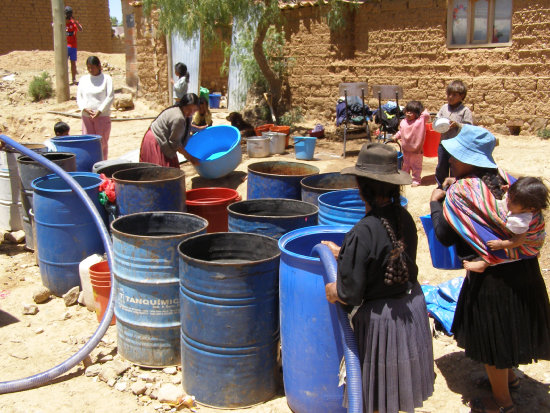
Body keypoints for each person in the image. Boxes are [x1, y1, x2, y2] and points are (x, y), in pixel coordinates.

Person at [429, 126, 550, 413]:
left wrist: (436, 204)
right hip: (524, 270)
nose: (452, 161)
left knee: (494, 340)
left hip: (492, 277)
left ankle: (502, 402)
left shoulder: (461, 192)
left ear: (472, 159)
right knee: (510, 330)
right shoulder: (508, 181)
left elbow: (445, 235)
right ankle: (510, 381)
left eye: (457, 157)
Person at [323, 143, 434, 413]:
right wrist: (344, 254)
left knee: (375, 397)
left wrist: (333, 289)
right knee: (392, 392)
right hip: (411, 309)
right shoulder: (403, 217)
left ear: (362, 188)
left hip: (382, 324)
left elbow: (350, 294)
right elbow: (390, 257)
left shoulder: (363, 231)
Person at [463, 176, 549, 273]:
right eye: (509, 196)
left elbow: (518, 241)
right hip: (537, 240)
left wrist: (501, 244)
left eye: (514, 201)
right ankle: (534, 252)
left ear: (530, 208)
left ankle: (485, 263)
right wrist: (509, 190)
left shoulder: (521, 220)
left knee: (507, 252)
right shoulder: (529, 205)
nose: (508, 201)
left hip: (527, 245)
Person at [139, 93, 200, 168]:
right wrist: (191, 158)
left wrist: (198, 128)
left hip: (157, 137)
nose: (191, 113)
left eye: (194, 110)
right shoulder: (178, 118)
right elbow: (175, 143)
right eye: (188, 109)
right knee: (159, 173)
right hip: (156, 140)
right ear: (183, 105)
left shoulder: (184, 114)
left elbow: (184, 126)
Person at [434, 80, 474, 188]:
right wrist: (439, 123)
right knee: (441, 166)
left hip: (457, 145)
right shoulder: (444, 108)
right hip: (443, 144)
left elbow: (469, 127)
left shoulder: (465, 111)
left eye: (454, 95)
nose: (450, 97)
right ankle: (440, 186)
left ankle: (454, 188)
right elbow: (437, 119)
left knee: (455, 167)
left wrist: (457, 125)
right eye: (448, 94)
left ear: (462, 96)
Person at [77, 56, 114, 160]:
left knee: (102, 144)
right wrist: (84, 108)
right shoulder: (83, 79)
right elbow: (79, 97)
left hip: (102, 116)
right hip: (86, 116)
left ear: (99, 66)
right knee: (87, 142)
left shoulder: (107, 79)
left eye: (92, 67)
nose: (90, 70)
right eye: (88, 67)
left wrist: (100, 110)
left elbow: (110, 96)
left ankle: (101, 166)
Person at [392, 100, 430, 186]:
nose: (408, 114)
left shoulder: (420, 121)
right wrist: (395, 136)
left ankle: (416, 180)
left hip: (416, 150)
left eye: (412, 112)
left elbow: (426, 115)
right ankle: (406, 178)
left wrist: (423, 111)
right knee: (405, 165)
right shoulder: (403, 122)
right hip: (406, 149)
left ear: (417, 114)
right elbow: (401, 132)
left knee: (416, 166)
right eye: (407, 111)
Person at [65, 6, 83, 85]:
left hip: (72, 46)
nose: (68, 15)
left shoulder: (73, 22)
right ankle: (65, 79)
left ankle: (73, 79)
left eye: (69, 14)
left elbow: (81, 29)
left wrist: (75, 21)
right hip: (64, 46)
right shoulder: (62, 22)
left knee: (73, 64)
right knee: (63, 64)